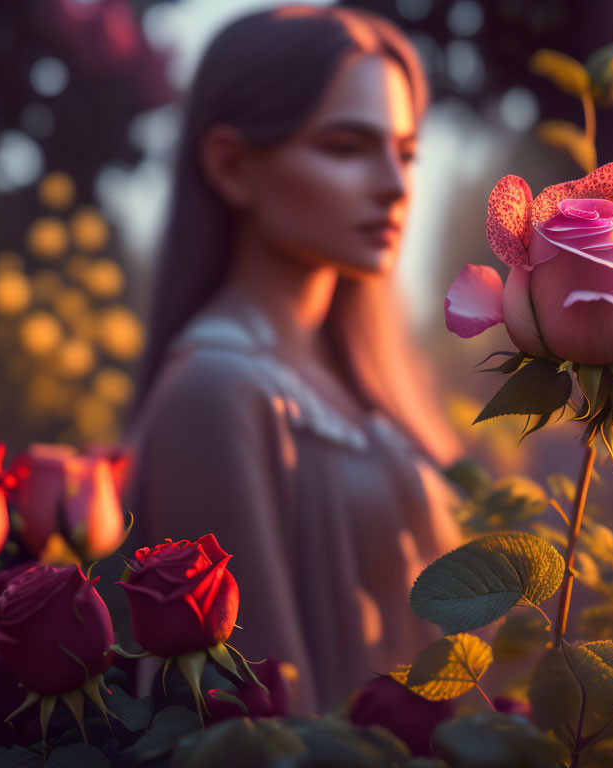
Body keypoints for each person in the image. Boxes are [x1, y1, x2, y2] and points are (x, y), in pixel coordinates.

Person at [129, 5, 463, 714]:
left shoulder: (365, 387)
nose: (395, 187)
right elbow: (267, 722)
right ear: (230, 165)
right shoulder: (215, 392)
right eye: (347, 147)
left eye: (405, 154)